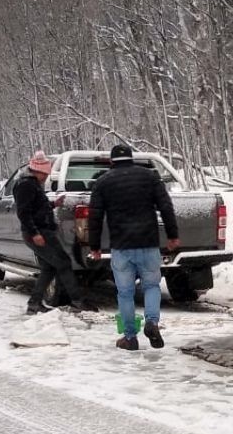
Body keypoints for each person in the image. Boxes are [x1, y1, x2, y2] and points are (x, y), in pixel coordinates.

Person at [89, 144, 179, 350]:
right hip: (148, 243)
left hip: (121, 246)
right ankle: (152, 322)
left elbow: (95, 216)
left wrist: (94, 246)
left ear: (112, 161)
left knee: (125, 293)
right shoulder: (149, 177)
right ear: (132, 158)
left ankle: (130, 338)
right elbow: (166, 206)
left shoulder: (103, 182)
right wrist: (173, 235)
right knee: (152, 286)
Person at [14, 151, 98, 315]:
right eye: (45, 174)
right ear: (37, 171)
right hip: (39, 233)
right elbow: (24, 212)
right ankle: (77, 300)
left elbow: (37, 207)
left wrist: (53, 203)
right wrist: (35, 233)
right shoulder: (26, 185)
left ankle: (34, 303)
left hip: (43, 230)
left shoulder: (31, 184)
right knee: (63, 262)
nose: (46, 177)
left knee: (49, 267)